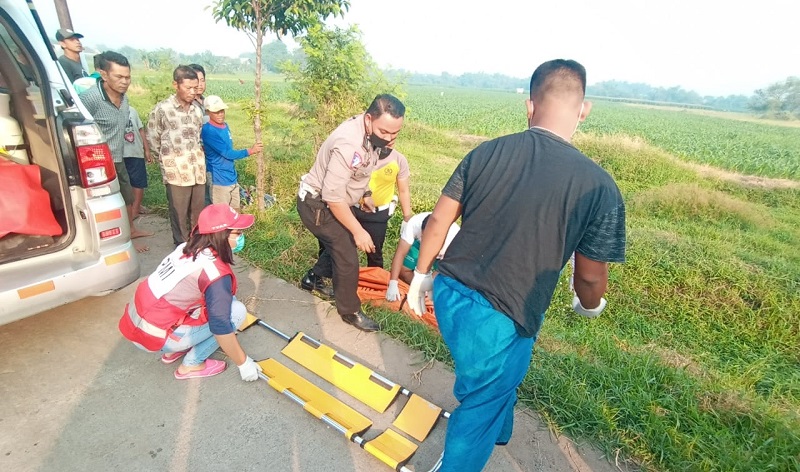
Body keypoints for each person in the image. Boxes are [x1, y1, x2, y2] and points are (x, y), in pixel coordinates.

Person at [407, 59, 626, 471]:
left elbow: (439, 221)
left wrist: (420, 277)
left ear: (530, 106)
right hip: (504, 314)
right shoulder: (599, 186)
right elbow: (590, 276)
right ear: (584, 109)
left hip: (451, 292)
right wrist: (590, 305)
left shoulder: (486, 152)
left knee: (505, 372)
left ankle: (501, 430)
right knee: (481, 400)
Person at [296, 94, 406, 332]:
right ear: (369, 119)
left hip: (337, 201)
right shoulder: (349, 144)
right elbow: (332, 197)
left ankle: (312, 279)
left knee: (340, 245)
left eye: (395, 133)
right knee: (347, 253)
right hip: (317, 204)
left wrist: (365, 195)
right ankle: (350, 311)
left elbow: (360, 172)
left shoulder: (371, 136)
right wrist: (359, 232)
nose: (389, 139)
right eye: (385, 132)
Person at [119, 203, 263, 381]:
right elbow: (220, 327)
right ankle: (191, 364)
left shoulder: (188, 248)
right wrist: (244, 362)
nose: (241, 237)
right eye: (237, 233)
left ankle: (174, 350)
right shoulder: (214, 273)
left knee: (226, 300)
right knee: (236, 312)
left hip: (141, 323)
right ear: (222, 235)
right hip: (154, 335)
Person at [79, 51, 153, 252]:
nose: (124, 82)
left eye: (127, 77)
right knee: (104, 203)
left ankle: (129, 233)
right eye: (119, 77)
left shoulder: (124, 99)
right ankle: (115, 243)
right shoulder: (90, 99)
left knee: (126, 197)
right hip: (97, 162)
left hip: (118, 158)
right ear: (103, 74)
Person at [147, 66, 206, 247]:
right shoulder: (163, 109)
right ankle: (181, 246)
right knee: (179, 212)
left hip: (197, 169)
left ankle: (197, 244)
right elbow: (153, 137)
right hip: (176, 171)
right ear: (175, 84)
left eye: (195, 88)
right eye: (187, 88)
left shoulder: (197, 110)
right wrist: (167, 160)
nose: (192, 92)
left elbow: (198, 136)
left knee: (197, 211)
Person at [352, 145, 413, 269]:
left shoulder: (399, 160)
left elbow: (403, 190)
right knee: (341, 246)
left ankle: (375, 283)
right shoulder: (360, 154)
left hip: (377, 216)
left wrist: (407, 217)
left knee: (374, 252)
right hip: (353, 209)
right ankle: (322, 277)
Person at [200, 95, 263, 210]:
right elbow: (227, 153)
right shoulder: (208, 130)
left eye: (222, 111)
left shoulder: (225, 126)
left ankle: (235, 229)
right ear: (208, 112)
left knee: (235, 212)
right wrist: (250, 151)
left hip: (230, 176)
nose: (220, 114)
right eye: (216, 112)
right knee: (222, 214)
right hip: (218, 179)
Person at [384, 212, 460, 302]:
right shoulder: (414, 224)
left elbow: (443, 269)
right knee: (403, 270)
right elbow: (400, 254)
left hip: (444, 256)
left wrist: (428, 288)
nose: (428, 243)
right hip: (418, 246)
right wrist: (393, 283)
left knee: (442, 285)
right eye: (424, 237)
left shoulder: (455, 239)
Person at [123, 106, 152, 218]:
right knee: (125, 182)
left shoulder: (132, 110)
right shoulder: (107, 111)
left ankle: (135, 210)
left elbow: (141, 130)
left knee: (138, 182)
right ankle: (130, 208)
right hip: (119, 154)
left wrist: (147, 150)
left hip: (135, 151)